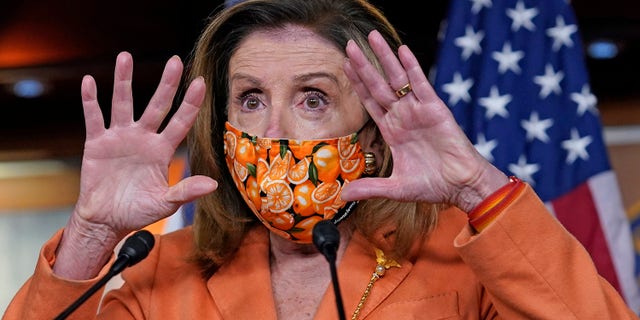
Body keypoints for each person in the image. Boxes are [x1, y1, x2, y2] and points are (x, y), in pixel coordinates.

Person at [3, 0, 638, 319]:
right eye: (250, 99)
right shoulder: (159, 276)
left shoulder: (464, 263)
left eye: (313, 97)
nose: (273, 131)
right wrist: (90, 234)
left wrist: (476, 187)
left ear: (372, 129)